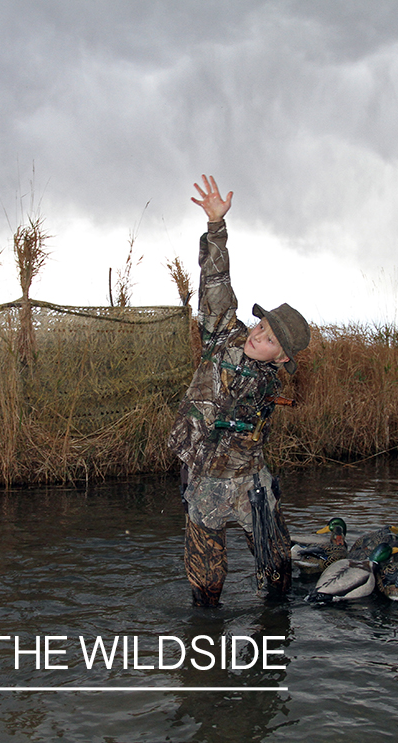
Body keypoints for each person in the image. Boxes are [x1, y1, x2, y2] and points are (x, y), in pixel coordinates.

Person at [167, 174, 311, 607]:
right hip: (206, 477)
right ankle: (204, 647)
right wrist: (216, 227)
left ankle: (274, 637)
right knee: (207, 583)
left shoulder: (272, 382)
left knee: (277, 565)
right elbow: (215, 286)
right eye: (261, 326)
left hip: (250, 480)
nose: (258, 336)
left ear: (282, 358)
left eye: (269, 339)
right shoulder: (224, 337)